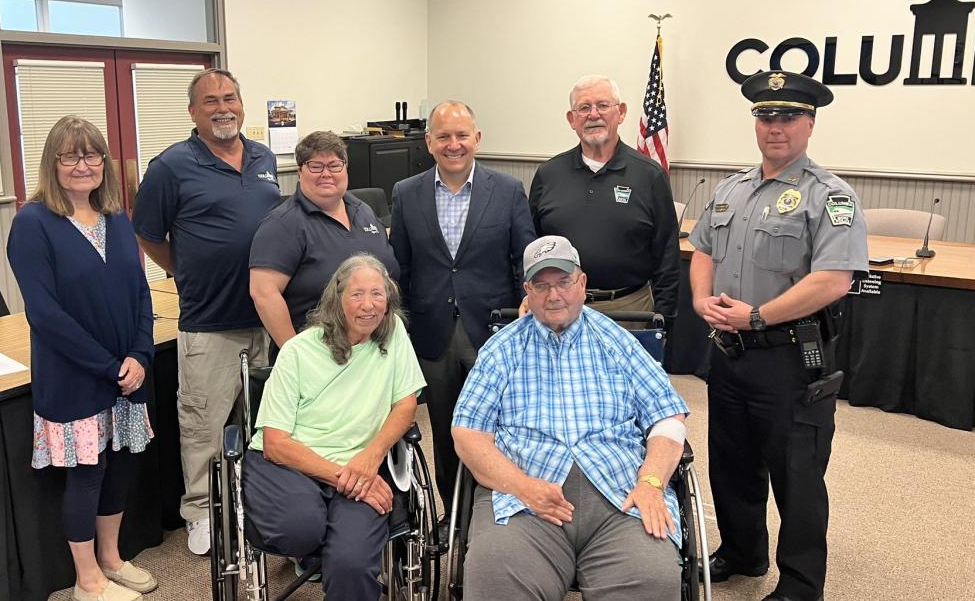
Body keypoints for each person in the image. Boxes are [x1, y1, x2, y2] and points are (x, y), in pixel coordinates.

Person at [688, 70, 868, 601]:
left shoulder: (829, 196)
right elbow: (702, 249)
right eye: (766, 116)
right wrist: (700, 300)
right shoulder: (731, 189)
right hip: (729, 354)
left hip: (790, 358)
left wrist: (760, 316)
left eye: (788, 117)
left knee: (798, 474)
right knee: (731, 462)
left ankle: (800, 583)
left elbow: (833, 280)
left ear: (809, 124)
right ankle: (743, 551)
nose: (776, 127)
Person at [452, 235, 689, 601]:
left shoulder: (619, 342)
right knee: (495, 579)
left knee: (651, 578)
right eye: (541, 285)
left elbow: (668, 417)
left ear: (582, 283)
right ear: (527, 290)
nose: (554, 295)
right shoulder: (501, 350)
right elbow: (468, 433)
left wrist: (652, 482)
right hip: (525, 501)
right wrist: (522, 486)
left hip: (622, 498)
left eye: (563, 281)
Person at [8, 116, 157, 601]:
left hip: (127, 373)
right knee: (88, 473)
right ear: (52, 163)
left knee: (120, 465)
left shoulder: (116, 217)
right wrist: (108, 367)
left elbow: (140, 292)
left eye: (92, 155)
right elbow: (44, 314)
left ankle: (111, 559)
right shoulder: (33, 223)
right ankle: (87, 579)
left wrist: (139, 354)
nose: (83, 165)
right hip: (75, 375)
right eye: (70, 156)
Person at [132, 68, 279, 555]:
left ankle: (253, 501)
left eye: (230, 98)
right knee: (204, 424)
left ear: (242, 104)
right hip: (209, 319)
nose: (223, 108)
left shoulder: (263, 157)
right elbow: (147, 234)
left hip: (266, 316)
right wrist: (185, 269)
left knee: (261, 421)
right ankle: (200, 511)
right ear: (193, 111)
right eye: (211, 101)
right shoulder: (170, 166)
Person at [243, 254, 425, 601]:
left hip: (360, 465)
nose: (369, 305)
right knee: (300, 530)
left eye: (377, 294)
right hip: (290, 463)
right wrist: (347, 477)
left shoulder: (393, 335)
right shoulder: (298, 351)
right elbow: (276, 444)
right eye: (357, 294)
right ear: (336, 299)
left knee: (352, 563)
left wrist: (371, 458)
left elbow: (406, 406)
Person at [389, 100, 536, 514]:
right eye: (443, 136)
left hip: (492, 330)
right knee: (445, 427)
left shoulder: (507, 190)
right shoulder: (406, 193)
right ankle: (454, 515)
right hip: (432, 333)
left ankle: (495, 510)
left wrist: (527, 308)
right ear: (429, 142)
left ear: (477, 138)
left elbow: (524, 259)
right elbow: (400, 267)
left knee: (498, 426)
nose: (453, 144)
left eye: (461, 135)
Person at [528, 75, 680, 324]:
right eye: (584, 108)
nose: (593, 114)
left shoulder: (650, 175)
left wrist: (663, 322)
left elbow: (668, 257)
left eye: (602, 105)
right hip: (558, 307)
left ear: (621, 113)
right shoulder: (548, 174)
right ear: (572, 119)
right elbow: (530, 244)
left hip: (629, 310)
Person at [249, 131, 398, 347]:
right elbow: (264, 294)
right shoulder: (282, 224)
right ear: (300, 171)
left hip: (375, 346)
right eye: (316, 166)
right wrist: (296, 353)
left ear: (345, 168)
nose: (326, 174)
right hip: (319, 351)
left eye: (335, 165)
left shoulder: (363, 210)